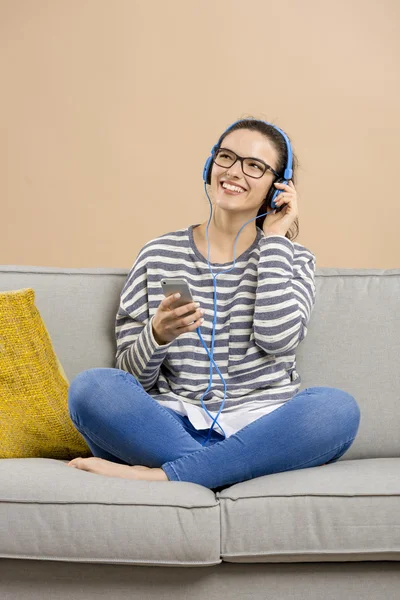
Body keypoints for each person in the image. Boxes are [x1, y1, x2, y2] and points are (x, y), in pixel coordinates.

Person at [67, 117, 361, 491]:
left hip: (263, 429)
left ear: (278, 187)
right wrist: (156, 335)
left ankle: (167, 475)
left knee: (337, 409)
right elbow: (132, 378)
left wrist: (273, 239)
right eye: (226, 157)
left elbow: (277, 340)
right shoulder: (159, 254)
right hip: (170, 425)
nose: (234, 172)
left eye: (254, 166)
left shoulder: (292, 257)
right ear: (210, 166)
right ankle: (218, 470)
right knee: (92, 387)